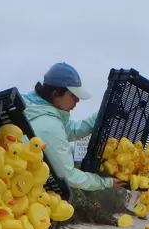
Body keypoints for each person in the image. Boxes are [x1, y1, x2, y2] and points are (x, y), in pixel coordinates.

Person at [23, 63, 124, 192]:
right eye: (73, 96)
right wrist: (106, 182)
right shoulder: (48, 126)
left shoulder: (37, 109)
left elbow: (71, 130)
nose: (78, 100)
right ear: (56, 93)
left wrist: (101, 115)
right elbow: (68, 176)